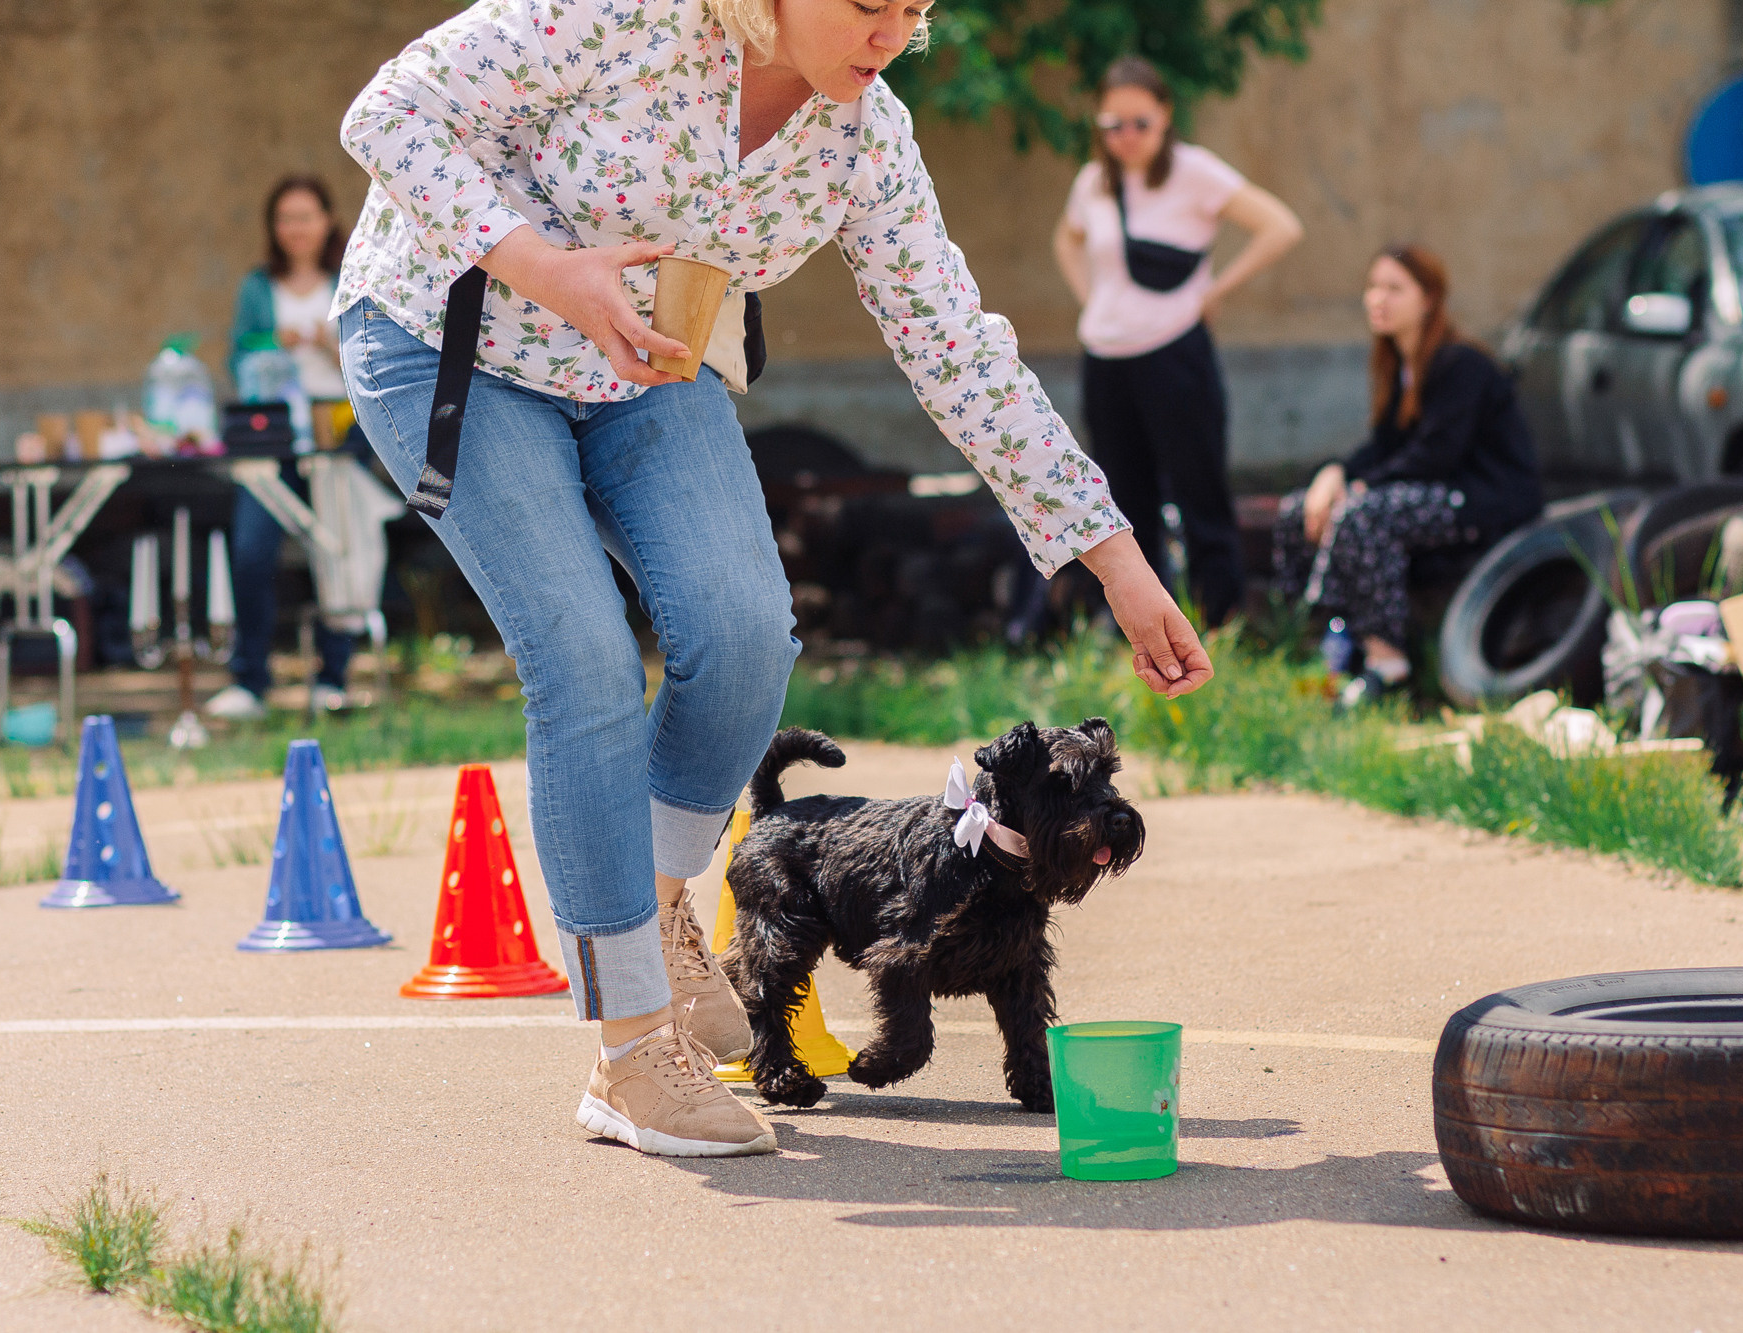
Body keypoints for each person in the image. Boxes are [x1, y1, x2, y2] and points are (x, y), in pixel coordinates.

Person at [335, 0, 1214, 1158]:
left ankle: (650, 895)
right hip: (452, 342)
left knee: (746, 634)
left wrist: (1114, 556)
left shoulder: (864, 141)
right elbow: (385, 114)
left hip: (647, 366)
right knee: (588, 664)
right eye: (862, 5)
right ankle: (630, 1052)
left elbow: (956, 347)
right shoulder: (620, 19)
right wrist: (541, 266)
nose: (889, 33)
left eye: (911, 9)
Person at [1053, 56, 1302, 629]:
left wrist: (1215, 292)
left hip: (1174, 352)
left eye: (1140, 123)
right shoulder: (1094, 181)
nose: (1127, 138)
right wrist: (1091, 298)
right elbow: (1066, 241)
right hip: (1106, 358)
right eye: (1113, 125)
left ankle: (1221, 625)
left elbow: (1280, 226)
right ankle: (1143, 633)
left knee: (1201, 494)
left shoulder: (1196, 173)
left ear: (1165, 116)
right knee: (1123, 505)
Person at [1272, 245, 1542, 705]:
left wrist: (1354, 489)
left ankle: (1387, 664)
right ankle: (1326, 649)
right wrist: (1332, 474)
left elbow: (1435, 456)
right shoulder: (1399, 367)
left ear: (1429, 299)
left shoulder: (1460, 363)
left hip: (1485, 499)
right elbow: (1384, 447)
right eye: (1373, 287)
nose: (1378, 298)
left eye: (1394, 288)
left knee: (1362, 514)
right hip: (1440, 495)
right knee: (1297, 511)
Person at [205, 176, 361, 722]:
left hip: (337, 435)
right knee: (250, 552)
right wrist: (273, 346)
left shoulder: (351, 278)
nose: (297, 227)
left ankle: (334, 677)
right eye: (286, 218)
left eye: (307, 215)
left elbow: (378, 355)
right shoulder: (257, 288)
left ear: (328, 220)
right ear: (275, 228)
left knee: (338, 553)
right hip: (271, 437)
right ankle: (250, 678)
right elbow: (236, 358)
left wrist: (325, 342)